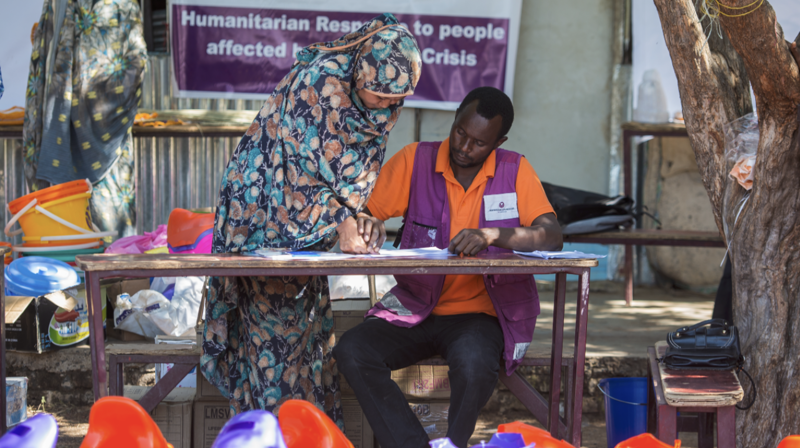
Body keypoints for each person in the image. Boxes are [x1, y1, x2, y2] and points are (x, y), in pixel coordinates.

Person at [201, 14, 422, 429]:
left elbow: (345, 175)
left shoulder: (377, 95)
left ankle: (299, 432)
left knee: (311, 343)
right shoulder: (317, 87)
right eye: (377, 97)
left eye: (397, 101)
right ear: (358, 76)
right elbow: (297, 175)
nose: (386, 110)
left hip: (307, 235)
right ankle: (274, 432)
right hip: (263, 220)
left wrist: (357, 216)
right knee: (276, 344)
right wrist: (341, 219)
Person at [333, 86, 563, 448]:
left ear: (498, 142)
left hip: (481, 316)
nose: (464, 147)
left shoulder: (514, 169)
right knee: (352, 351)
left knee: (474, 367)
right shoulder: (414, 161)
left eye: (479, 143)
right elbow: (365, 213)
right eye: (460, 132)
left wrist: (493, 234)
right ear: (455, 117)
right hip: (415, 307)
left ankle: (453, 442)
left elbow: (550, 236)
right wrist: (368, 223)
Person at [23, 0, 147, 239]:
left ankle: (108, 275)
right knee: (58, 243)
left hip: (104, 146)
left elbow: (132, 65)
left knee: (105, 238)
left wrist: (71, 63)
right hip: (54, 131)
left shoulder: (117, 5)